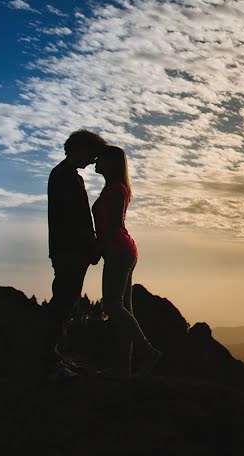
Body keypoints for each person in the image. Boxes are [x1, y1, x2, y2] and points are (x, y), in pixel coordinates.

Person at [93, 145, 161, 378]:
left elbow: (111, 227)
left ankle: (147, 351)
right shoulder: (115, 188)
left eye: (99, 159)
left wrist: (97, 250)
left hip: (118, 251)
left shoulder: (116, 190)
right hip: (122, 251)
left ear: (111, 163)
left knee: (112, 306)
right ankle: (124, 367)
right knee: (123, 309)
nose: (95, 163)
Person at [46, 129, 108, 381]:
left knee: (65, 302)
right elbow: (76, 219)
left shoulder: (64, 175)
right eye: (92, 154)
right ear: (79, 149)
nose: (93, 160)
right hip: (70, 250)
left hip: (66, 249)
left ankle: (55, 357)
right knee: (63, 303)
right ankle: (50, 362)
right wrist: (92, 245)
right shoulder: (66, 177)